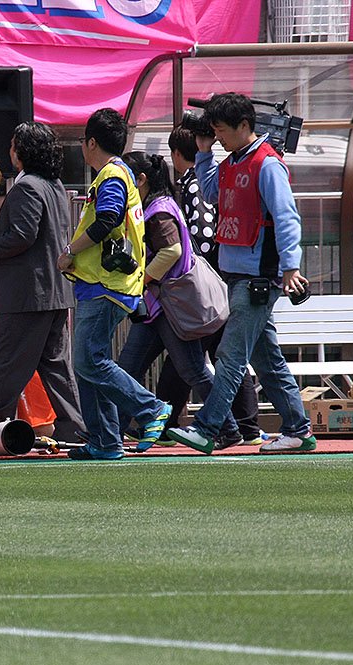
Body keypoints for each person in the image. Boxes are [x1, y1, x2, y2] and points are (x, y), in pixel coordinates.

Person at [168, 92, 315, 454]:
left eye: (220, 130)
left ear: (244, 125)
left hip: (257, 280)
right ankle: (298, 430)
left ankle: (207, 428)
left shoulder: (267, 164)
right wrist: (204, 153)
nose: (217, 136)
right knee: (267, 361)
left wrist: (291, 267)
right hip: (238, 276)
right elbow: (211, 194)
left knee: (231, 356)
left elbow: (286, 217)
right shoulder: (233, 161)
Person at [57, 108, 169, 459]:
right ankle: (105, 441)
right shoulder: (117, 174)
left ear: (91, 142)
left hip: (105, 284)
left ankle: (150, 409)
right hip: (105, 284)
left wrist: (70, 250)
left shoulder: (111, 175)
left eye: (83, 141)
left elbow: (107, 218)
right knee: (90, 363)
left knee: (89, 362)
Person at [0, 121, 85, 443]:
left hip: (27, 295)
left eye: (13, 145)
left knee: (7, 365)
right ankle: (75, 430)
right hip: (53, 292)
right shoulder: (54, 185)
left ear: (22, 151)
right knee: (56, 368)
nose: (10, 151)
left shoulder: (27, 186)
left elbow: (22, 236)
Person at [115, 152, 241, 448]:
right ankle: (111, 431)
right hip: (161, 306)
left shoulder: (157, 210)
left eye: (125, 178)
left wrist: (142, 279)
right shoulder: (158, 205)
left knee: (191, 369)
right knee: (128, 368)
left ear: (141, 180)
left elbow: (171, 251)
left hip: (168, 305)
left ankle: (228, 427)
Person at [156, 126, 265, 446]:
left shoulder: (193, 185)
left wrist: (190, 268)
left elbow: (203, 237)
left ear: (177, 154)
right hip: (218, 283)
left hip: (205, 286)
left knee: (203, 354)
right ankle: (245, 424)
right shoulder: (208, 180)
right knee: (215, 354)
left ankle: (238, 425)